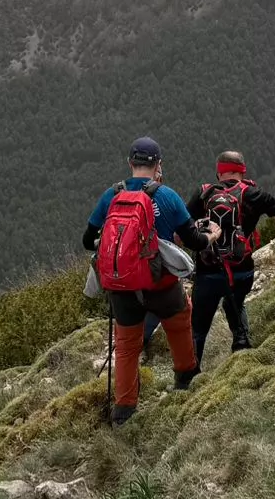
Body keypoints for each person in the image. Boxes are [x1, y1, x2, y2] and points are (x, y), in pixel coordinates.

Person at [83, 136, 205, 425]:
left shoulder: (111, 195)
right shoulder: (167, 196)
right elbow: (193, 240)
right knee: (179, 322)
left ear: (130, 164)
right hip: (160, 284)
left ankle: (124, 410)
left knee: (126, 345)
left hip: (121, 288)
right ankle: (185, 379)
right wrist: (209, 236)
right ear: (158, 165)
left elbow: (89, 241)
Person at [186, 152, 275, 359]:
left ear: (219, 172)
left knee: (198, 328)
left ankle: (188, 377)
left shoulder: (203, 194)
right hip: (242, 271)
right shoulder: (254, 194)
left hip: (208, 272)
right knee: (235, 302)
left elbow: (181, 234)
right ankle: (241, 344)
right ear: (241, 170)